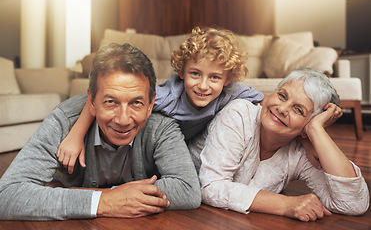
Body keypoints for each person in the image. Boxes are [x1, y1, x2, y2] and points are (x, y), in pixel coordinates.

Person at [0, 43, 201, 221]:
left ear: (150, 104)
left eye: (136, 103)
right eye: (111, 102)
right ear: (92, 101)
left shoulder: (161, 125)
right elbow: (7, 195)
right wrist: (104, 201)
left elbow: (188, 190)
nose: (123, 120)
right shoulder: (65, 120)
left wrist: (108, 194)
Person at [57, 26, 265, 174]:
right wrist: (76, 135)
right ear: (181, 72)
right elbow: (100, 99)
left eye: (214, 77)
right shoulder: (167, 97)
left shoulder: (230, 92)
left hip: (185, 151)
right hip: (141, 147)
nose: (203, 85)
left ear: (227, 79)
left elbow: (266, 102)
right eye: (195, 74)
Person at [188, 68, 369, 222]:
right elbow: (211, 188)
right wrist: (286, 204)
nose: (282, 109)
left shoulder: (300, 152)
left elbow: (353, 203)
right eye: (282, 96)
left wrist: (316, 130)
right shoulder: (239, 113)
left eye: (298, 109)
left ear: (306, 129)